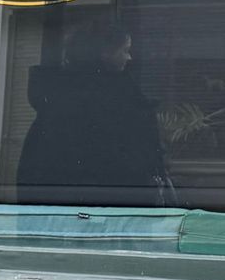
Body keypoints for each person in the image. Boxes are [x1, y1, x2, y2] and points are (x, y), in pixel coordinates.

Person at [18, 26, 173, 207]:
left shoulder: (58, 96)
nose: (129, 58)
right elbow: (130, 156)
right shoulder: (117, 98)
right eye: (125, 50)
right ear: (105, 53)